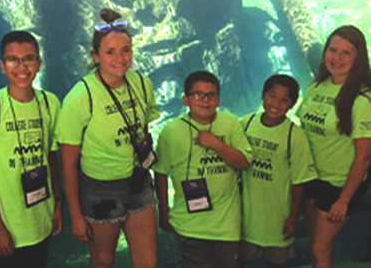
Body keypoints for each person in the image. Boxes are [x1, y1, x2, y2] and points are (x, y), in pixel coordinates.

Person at [56, 8, 160, 268]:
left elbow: (143, 128)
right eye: (110, 52)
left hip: (139, 181)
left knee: (148, 262)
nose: (120, 58)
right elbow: (67, 163)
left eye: (126, 49)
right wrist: (75, 215)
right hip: (102, 189)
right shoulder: (80, 96)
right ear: (96, 56)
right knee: (103, 260)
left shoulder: (141, 82)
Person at [0, 31, 63, 268]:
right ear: (2, 66)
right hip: (7, 224)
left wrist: (57, 203)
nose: (21, 67)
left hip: (41, 217)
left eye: (29, 59)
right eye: (12, 59)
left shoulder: (50, 103)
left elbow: (51, 155)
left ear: (38, 64)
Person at [154, 70, 252, 268]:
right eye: (198, 94)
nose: (205, 100)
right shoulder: (171, 131)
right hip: (188, 225)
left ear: (218, 99)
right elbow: (161, 173)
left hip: (226, 224)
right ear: (186, 100)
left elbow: (244, 162)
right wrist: (164, 213)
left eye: (211, 95)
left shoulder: (230, 122)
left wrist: (216, 144)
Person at [296, 25, 371, 268]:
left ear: (358, 58)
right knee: (313, 241)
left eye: (346, 53)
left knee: (320, 250)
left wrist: (344, 200)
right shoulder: (317, 86)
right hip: (311, 177)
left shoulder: (362, 99)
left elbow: (364, 158)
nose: (336, 58)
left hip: (338, 184)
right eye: (332, 50)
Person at [238, 74, 318, 268]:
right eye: (272, 96)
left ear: (292, 104)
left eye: (285, 100)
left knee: (276, 262)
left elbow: (299, 181)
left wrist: (293, 218)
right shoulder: (245, 124)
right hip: (246, 218)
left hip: (278, 220)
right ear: (263, 96)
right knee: (238, 259)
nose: (276, 104)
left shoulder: (295, 136)